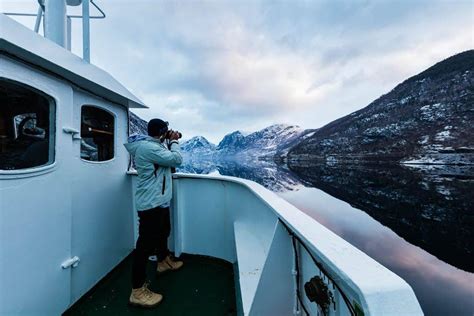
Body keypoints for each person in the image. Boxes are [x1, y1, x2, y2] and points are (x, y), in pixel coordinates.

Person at [124, 118, 183, 308]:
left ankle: (163, 262)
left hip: (159, 200)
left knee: (164, 231)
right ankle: (137, 291)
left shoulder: (154, 146)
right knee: (144, 248)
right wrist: (173, 142)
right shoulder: (149, 148)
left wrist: (167, 141)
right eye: (167, 131)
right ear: (162, 132)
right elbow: (176, 160)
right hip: (150, 204)